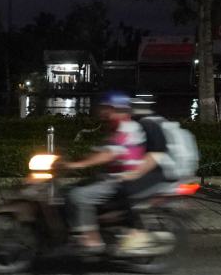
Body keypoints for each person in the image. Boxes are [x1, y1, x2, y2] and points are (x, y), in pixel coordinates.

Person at [63, 93, 169, 252]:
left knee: (79, 195)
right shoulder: (116, 128)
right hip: (113, 177)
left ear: (120, 111)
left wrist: (77, 165)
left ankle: (92, 240)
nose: (103, 113)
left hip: (121, 179)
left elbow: (110, 154)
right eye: (104, 109)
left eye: (108, 109)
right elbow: (102, 151)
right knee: (68, 190)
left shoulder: (128, 127)